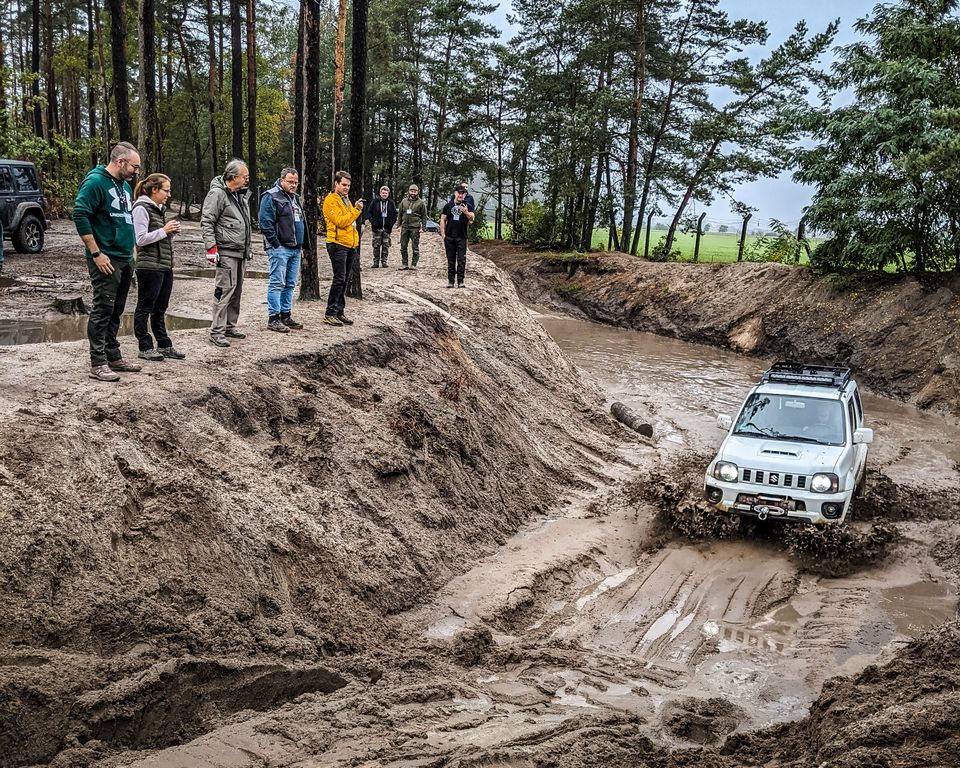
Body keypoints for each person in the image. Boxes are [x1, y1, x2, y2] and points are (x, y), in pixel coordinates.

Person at [73, 141, 143, 382]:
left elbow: (126, 219)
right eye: (135, 167)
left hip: (125, 257)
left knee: (117, 309)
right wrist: (96, 253)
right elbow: (80, 214)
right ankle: (98, 362)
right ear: (120, 162)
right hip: (105, 258)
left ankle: (114, 355)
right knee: (103, 308)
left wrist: (133, 247)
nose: (137, 172)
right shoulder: (95, 182)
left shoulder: (123, 185)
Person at [131, 173, 185, 361]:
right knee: (144, 307)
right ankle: (144, 347)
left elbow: (159, 239)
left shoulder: (158, 209)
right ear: (154, 189)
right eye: (166, 190)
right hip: (148, 266)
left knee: (160, 308)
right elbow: (141, 239)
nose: (169, 194)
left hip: (164, 265)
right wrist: (164, 230)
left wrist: (171, 233)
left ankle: (164, 344)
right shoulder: (140, 208)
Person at [201, 159, 251, 347]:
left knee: (237, 291)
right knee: (224, 291)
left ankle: (230, 326)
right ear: (234, 177)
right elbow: (207, 221)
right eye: (244, 177)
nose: (247, 180)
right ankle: (217, 331)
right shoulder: (217, 194)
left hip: (239, 251)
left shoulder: (240, 195)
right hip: (226, 251)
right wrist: (211, 248)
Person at [259, 168, 305, 333]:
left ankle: (286, 315)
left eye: (295, 182)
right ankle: (274, 318)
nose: (293, 185)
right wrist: (276, 244)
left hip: (295, 248)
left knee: (290, 284)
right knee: (277, 283)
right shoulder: (271, 196)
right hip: (280, 248)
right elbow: (265, 223)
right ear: (282, 180)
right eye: (290, 182)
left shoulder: (295, 198)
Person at [321, 170, 363, 327]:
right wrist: (356, 210)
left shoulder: (345, 200)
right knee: (339, 278)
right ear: (336, 184)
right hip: (337, 244)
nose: (346, 188)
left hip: (349, 244)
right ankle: (330, 313)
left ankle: (339, 311)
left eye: (348, 185)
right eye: (344, 184)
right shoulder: (330, 200)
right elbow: (340, 221)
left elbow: (349, 221)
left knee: (344, 279)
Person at [440, 185, 475, 288]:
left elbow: (472, 219)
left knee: (461, 260)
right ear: (455, 193)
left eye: (462, 193)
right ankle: (450, 281)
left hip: (461, 237)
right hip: (449, 237)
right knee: (450, 260)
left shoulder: (467, 205)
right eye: (459, 193)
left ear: (464, 194)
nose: (460, 195)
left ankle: (461, 281)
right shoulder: (448, 205)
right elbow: (443, 219)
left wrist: (466, 212)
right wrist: (443, 234)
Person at [397, 183, 427, 269]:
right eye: (411, 191)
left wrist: (423, 227)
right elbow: (400, 214)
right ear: (408, 191)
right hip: (405, 227)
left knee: (415, 247)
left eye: (415, 191)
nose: (413, 193)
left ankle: (414, 264)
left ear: (418, 192)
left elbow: (424, 216)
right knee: (403, 246)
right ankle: (404, 264)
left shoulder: (421, 203)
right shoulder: (404, 201)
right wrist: (398, 225)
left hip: (415, 227)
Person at [366, 185, 397, 268]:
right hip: (377, 228)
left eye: (386, 193)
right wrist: (373, 222)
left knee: (386, 246)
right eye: (383, 193)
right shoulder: (374, 202)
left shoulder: (391, 203)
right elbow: (369, 213)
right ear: (380, 193)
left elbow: (395, 215)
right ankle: (376, 262)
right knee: (376, 246)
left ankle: (384, 262)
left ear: (388, 194)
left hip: (387, 229)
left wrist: (391, 223)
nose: (384, 194)